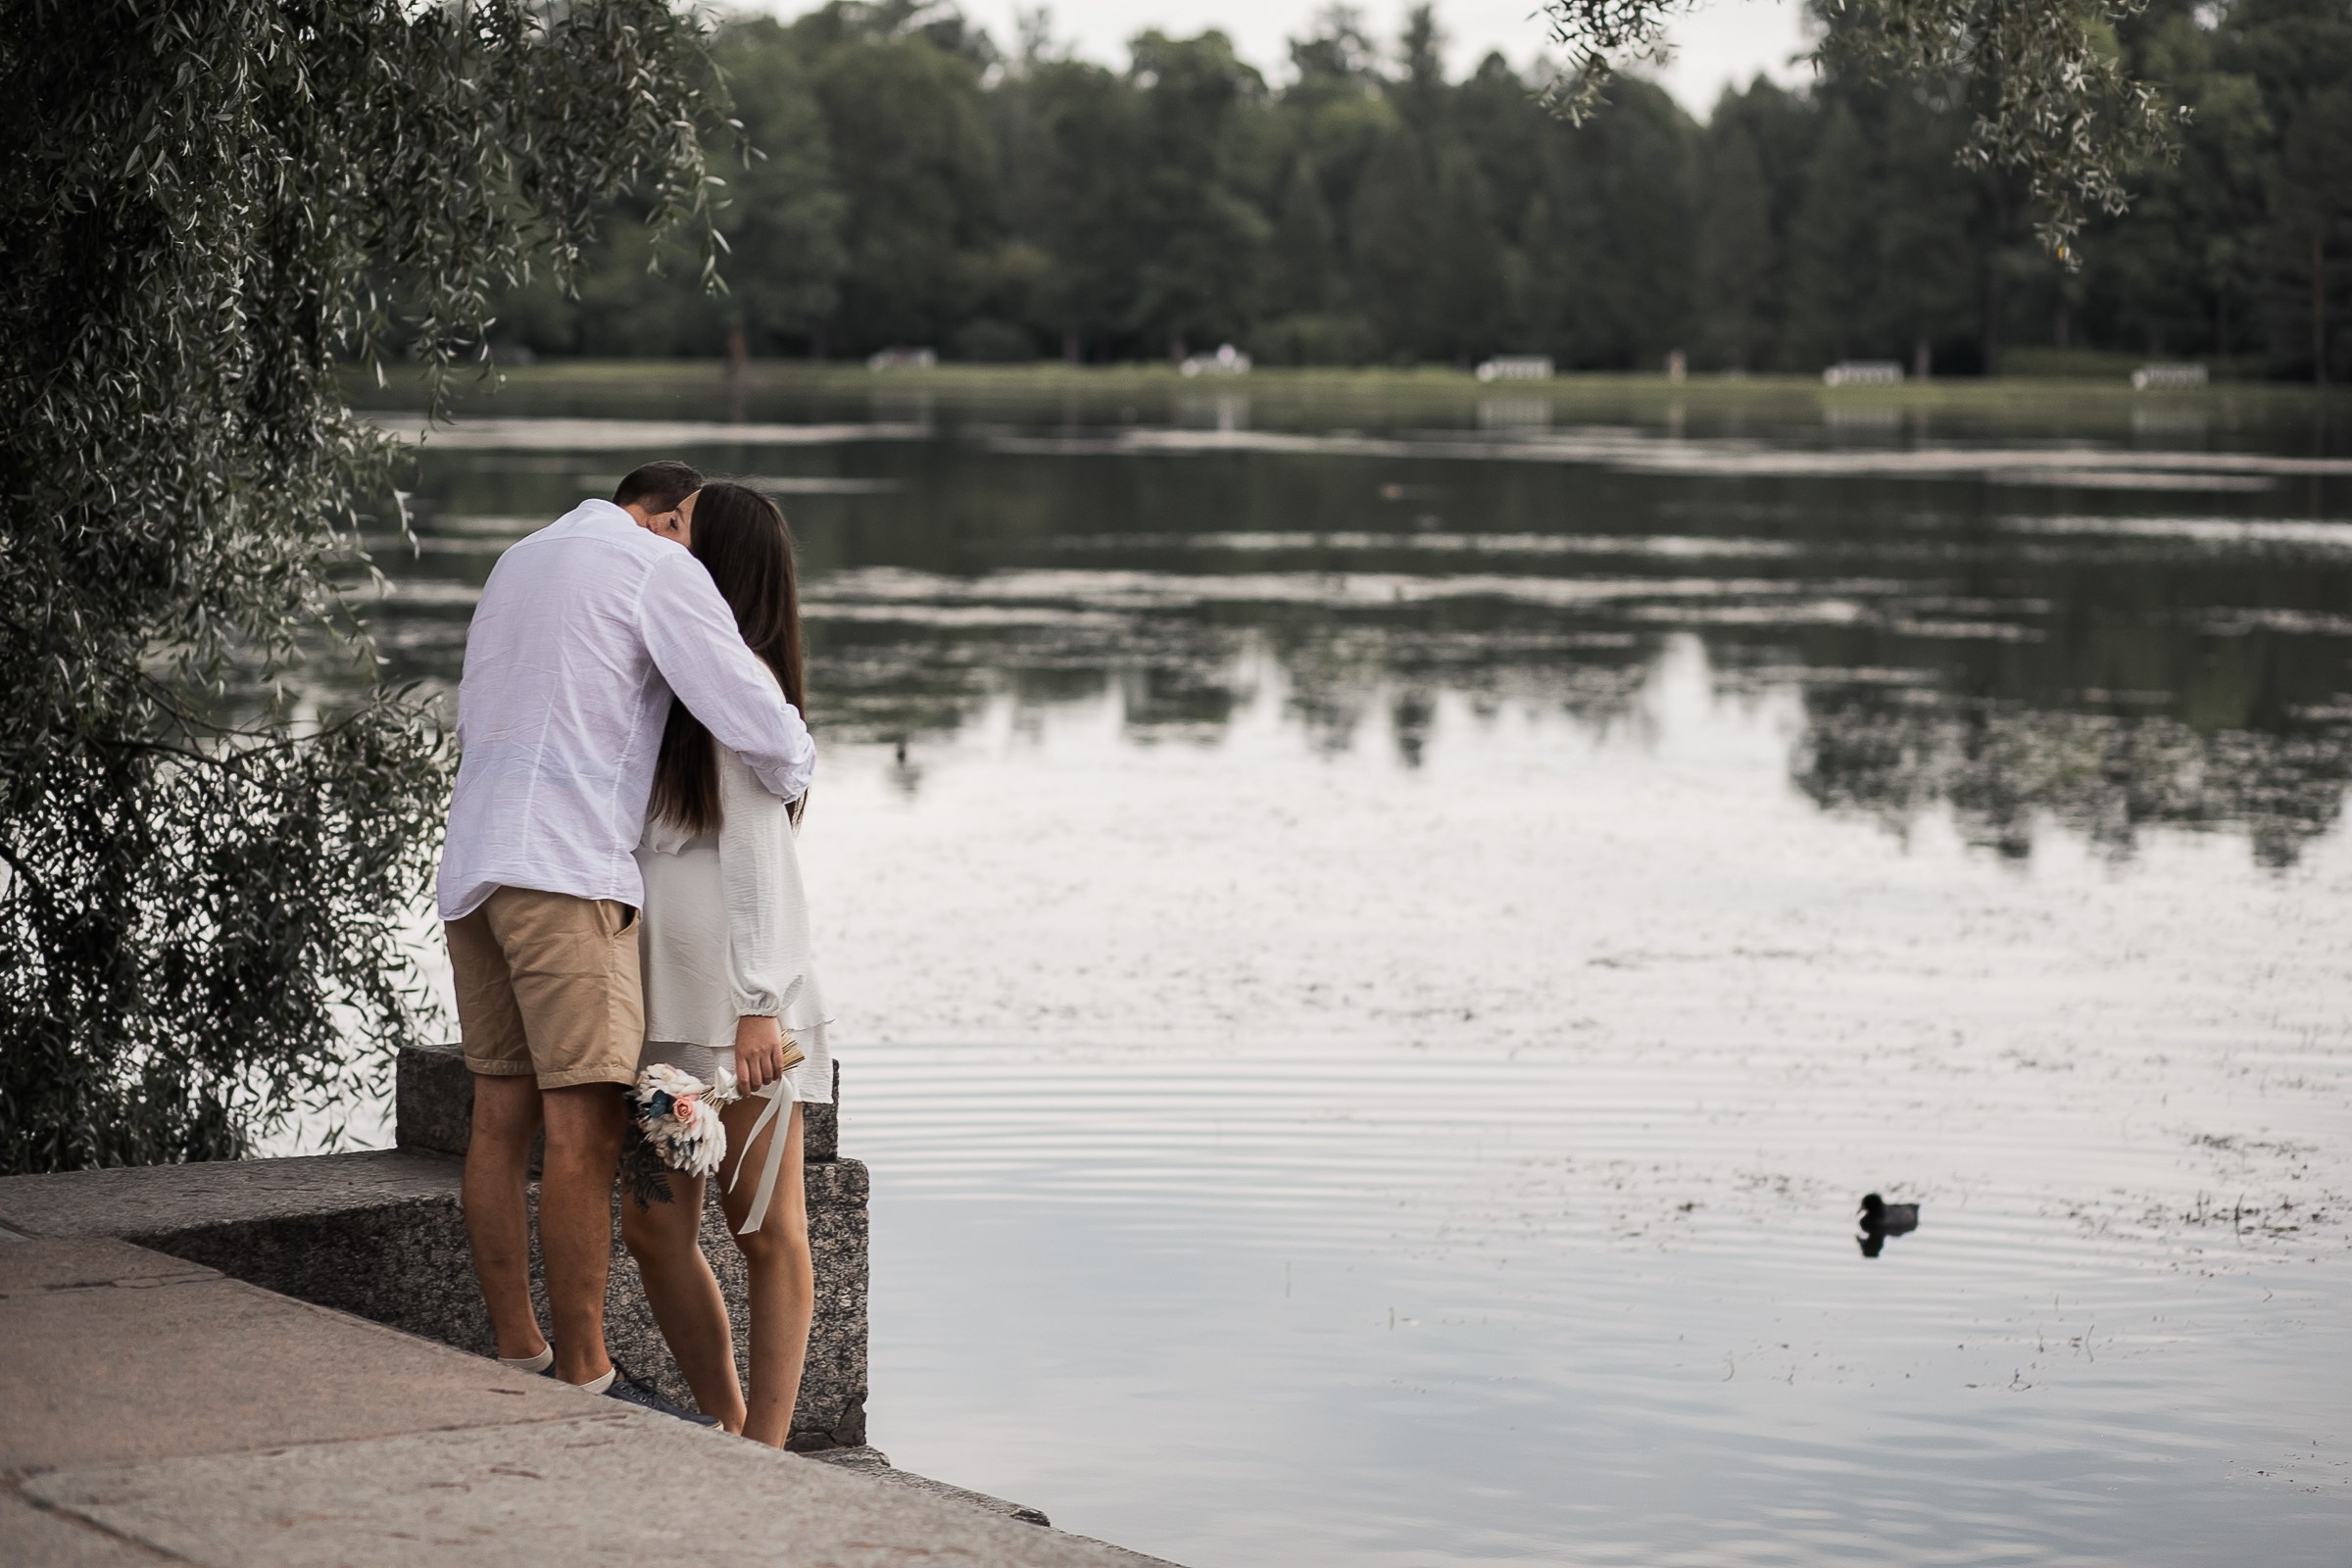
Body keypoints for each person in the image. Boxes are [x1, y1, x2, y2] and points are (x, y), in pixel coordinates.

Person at [437, 462, 814, 1416]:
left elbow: (764, 829)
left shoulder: (531, 562)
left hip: (711, 996)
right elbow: (772, 745)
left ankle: (748, 1446)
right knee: (627, 1195)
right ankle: (650, 1398)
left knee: (760, 1226)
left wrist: (761, 998)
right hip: (616, 955)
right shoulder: (654, 618)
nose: (675, 555)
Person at [618, 481, 833, 1446]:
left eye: (678, 526)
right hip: (673, 1004)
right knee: (658, 1228)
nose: (658, 533)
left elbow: (753, 845)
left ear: (716, 568)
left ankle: (767, 1453)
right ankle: (729, 1421)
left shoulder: (734, 679)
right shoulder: (673, 676)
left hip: (741, 1006)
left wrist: (759, 1003)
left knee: (765, 1226)